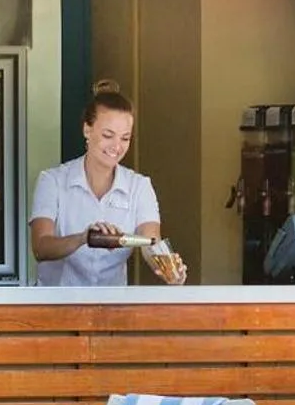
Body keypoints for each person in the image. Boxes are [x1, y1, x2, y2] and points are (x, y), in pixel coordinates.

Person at [30, 80, 186, 286]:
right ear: (87, 130)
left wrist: (169, 268)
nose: (117, 146)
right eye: (108, 135)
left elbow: (151, 242)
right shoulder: (52, 181)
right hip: (58, 307)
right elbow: (41, 248)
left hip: (112, 306)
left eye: (125, 138)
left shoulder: (139, 186)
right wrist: (83, 238)